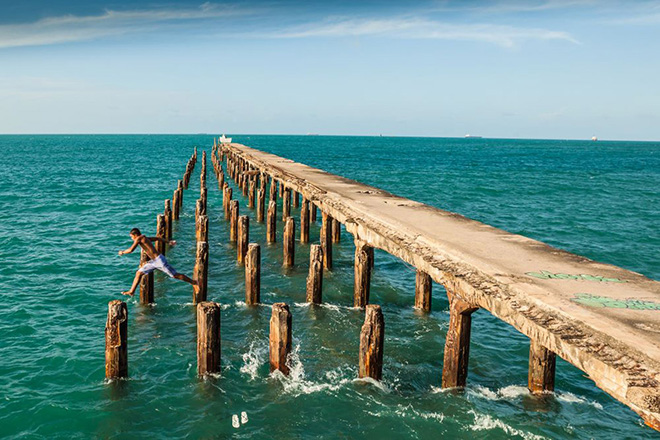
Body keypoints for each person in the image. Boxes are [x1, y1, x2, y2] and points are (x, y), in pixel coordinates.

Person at [118, 228, 197, 296]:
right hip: (154, 262)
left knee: (175, 275)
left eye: (131, 237)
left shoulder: (139, 238)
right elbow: (157, 238)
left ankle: (194, 282)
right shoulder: (144, 238)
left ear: (135, 235)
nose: (132, 239)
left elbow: (131, 250)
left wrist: (123, 252)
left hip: (159, 261)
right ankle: (131, 291)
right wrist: (168, 242)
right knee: (138, 273)